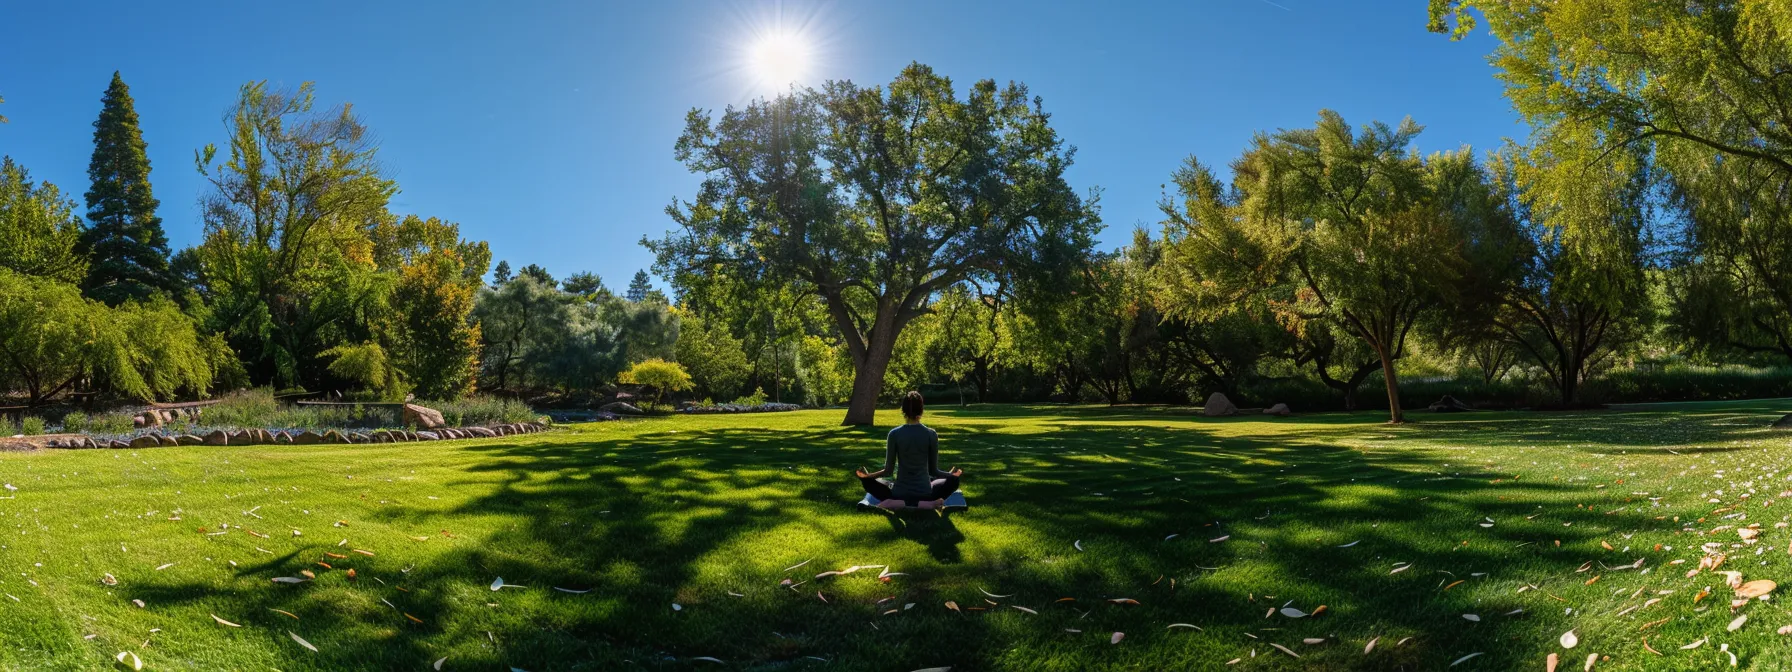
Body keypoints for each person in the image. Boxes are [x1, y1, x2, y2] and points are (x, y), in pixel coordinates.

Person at [856, 391, 963, 510]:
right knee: (953, 481)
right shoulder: (931, 434)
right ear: (922, 410)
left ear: (903, 410)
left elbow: (888, 471)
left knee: (870, 482)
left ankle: (898, 503)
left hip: (899, 494)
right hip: (925, 494)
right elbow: (934, 471)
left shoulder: (894, 434)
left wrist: (868, 476)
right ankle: (925, 504)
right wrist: (951, 475)